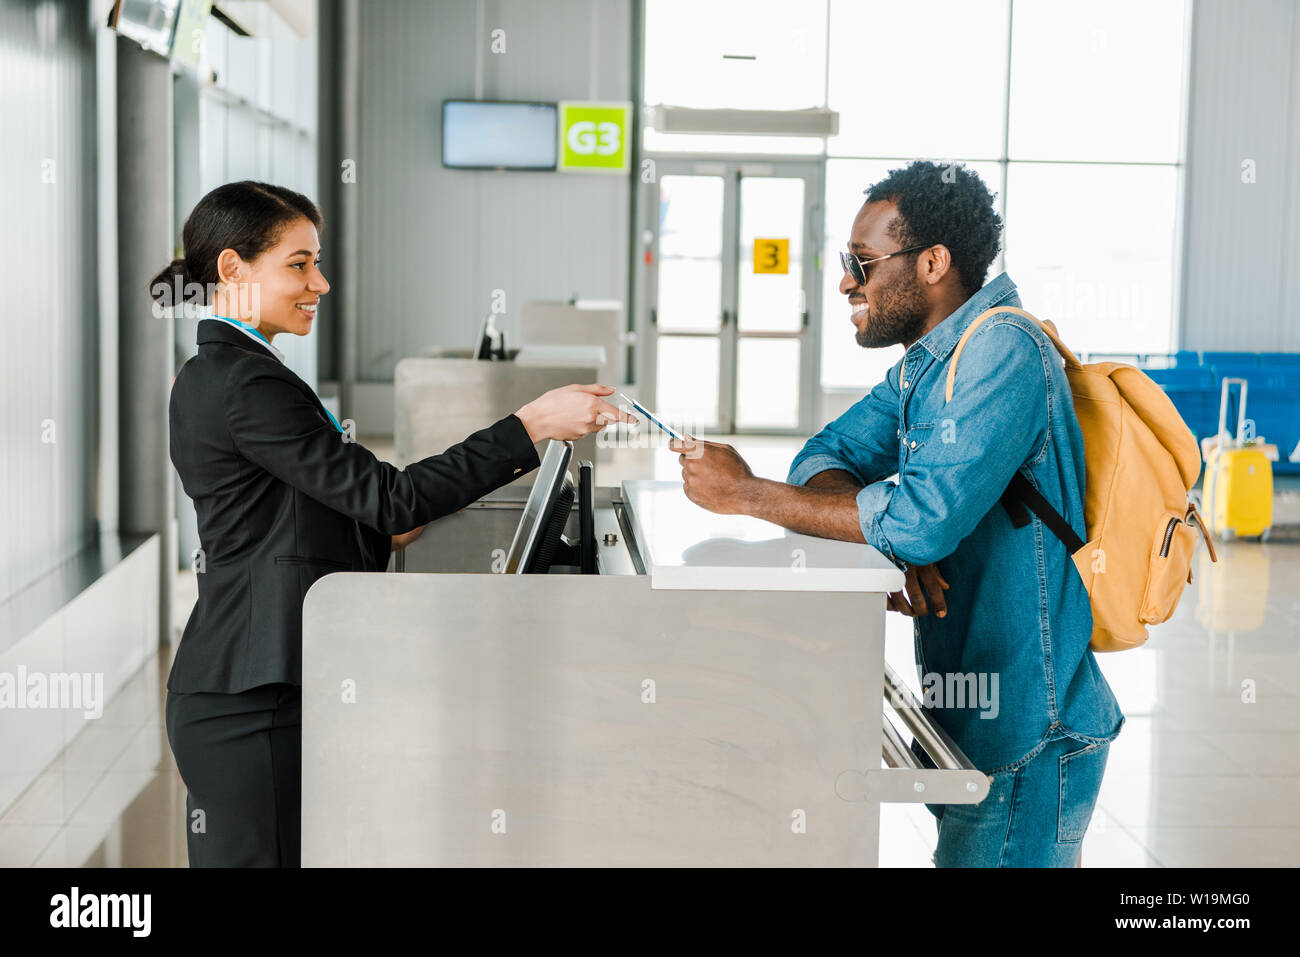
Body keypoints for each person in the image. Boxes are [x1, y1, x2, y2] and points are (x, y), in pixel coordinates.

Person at [157, 180, 634, 867]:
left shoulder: (231, 371)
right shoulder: (245, 382)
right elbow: (393, 498)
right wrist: (531, 425)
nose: (319, 282)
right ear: (233, 268)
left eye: (317, 262)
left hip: (251, 686)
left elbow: (301, 515)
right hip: (248, 699)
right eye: (299, 264)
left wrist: (380, 526)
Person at [668, 161, 1123, 867]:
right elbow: (824, 456)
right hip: (973, 719)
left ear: (934, 262)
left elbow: (918, 518)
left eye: (862, 261)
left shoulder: (1003, 348)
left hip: (1029, 733)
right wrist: (899, 541)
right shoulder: (925, 366)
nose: (848, 280)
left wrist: (744, 494)